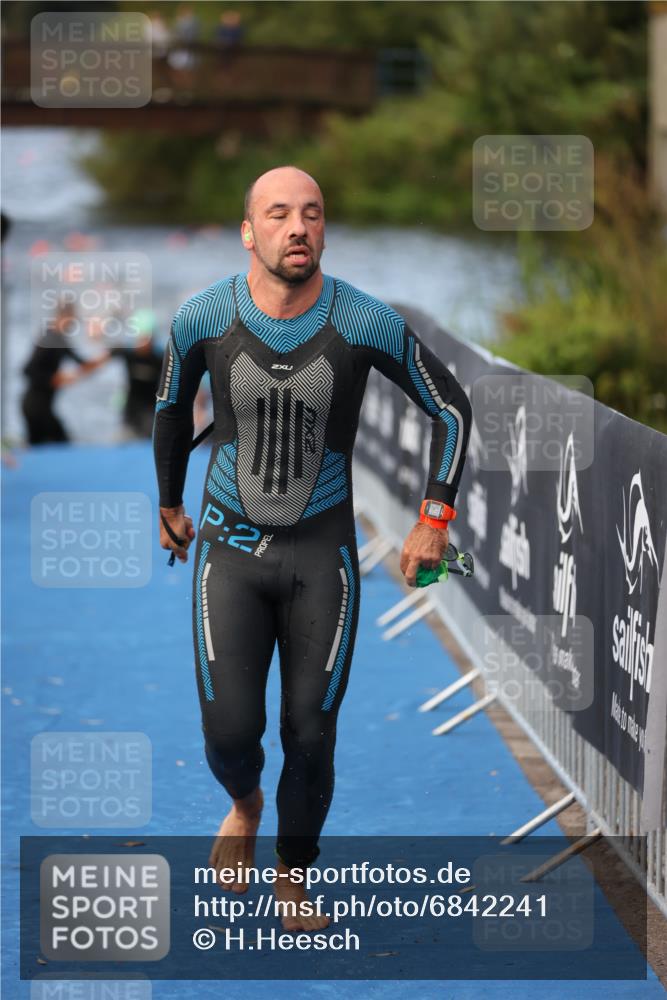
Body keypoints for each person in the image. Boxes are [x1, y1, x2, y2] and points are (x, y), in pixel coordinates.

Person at [153, 166, 472, 931]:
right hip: (226, 552)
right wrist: (167, 502)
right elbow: (169, 411)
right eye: (278, 214)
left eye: (312, 214)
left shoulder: (363, 322)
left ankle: (293, 876)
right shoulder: (202, 317)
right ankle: (244, 802)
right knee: (230, 734)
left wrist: (434, 515)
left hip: (321, 557)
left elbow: (450, 408)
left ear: (323, 228)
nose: (297, 227)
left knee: (310, 730)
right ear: (249, 231)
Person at [21, 302, 107, 445]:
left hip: (44, 406)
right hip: (34, 406)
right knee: (56, 443)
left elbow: (82, 364)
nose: (73, 324)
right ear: (62, 317)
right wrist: (53, 378)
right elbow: (28, 370)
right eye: (72, 319)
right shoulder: (49, 338)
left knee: (57, 442)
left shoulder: (60, 340)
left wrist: (105, 357)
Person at [109, 311, 165, 439]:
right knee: (125, 439)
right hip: (131, 408)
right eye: (141, 338)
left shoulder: (159, 357)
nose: (143, 343)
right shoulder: (129, 354)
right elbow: (100, 360)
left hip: (150, 410)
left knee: (149, 439)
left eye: (147, 338)